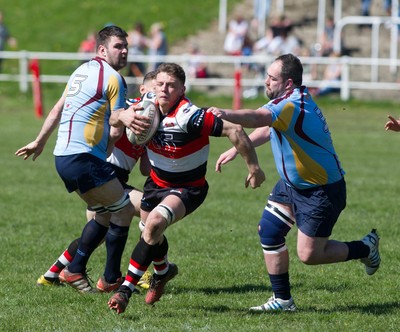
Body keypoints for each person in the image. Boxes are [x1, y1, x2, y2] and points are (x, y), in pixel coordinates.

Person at [208, 53, 381, 312]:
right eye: (267, 76)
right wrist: (237, 149)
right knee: (269, 231)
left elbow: (257, 118)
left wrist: (225, 114)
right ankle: (283, 300)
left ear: (288, 83)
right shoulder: (287, 102)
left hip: (321, 191)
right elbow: (267, 128)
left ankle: (365, 247)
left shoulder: (292, 105)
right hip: (292, 186)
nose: (266, 81)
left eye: (272, 78)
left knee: (310, 255)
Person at [107, 62, 266, 314]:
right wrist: (123, 116)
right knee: (150, 233)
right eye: (160, 84)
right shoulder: (147, 104)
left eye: (171, 86)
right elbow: (113, 115)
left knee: (153, 225)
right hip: (156, 183)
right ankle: (164, 271)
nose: (164, 89)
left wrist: (254, 168)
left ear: (182, 89)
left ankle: (125, 290)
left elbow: (235, 129)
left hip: (188, 187)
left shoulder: (189, 116)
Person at [14, 25, 142, 293]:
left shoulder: (80, 72)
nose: (125, 51)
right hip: (83, 157)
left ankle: (77, 270)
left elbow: (59, 107)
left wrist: (40, 141)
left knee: (103, 214)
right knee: (123, 210)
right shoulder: (114, 78)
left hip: (64, 156)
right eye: (119, 46)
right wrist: (121, 129)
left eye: (126, 46)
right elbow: (118, 120)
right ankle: (104, 277)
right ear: (102, 50)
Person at [32, 72, 157, 292]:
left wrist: (149, 142)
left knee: (95, 235)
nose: (160, 94)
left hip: (112, 179)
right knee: (151, 210)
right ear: (143, 91)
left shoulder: (153, 122)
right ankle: (143, 272)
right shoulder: (127, 108)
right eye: (155, 89)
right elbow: (109, 120)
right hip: (103, 175)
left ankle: (52, 273)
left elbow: (146, 169)